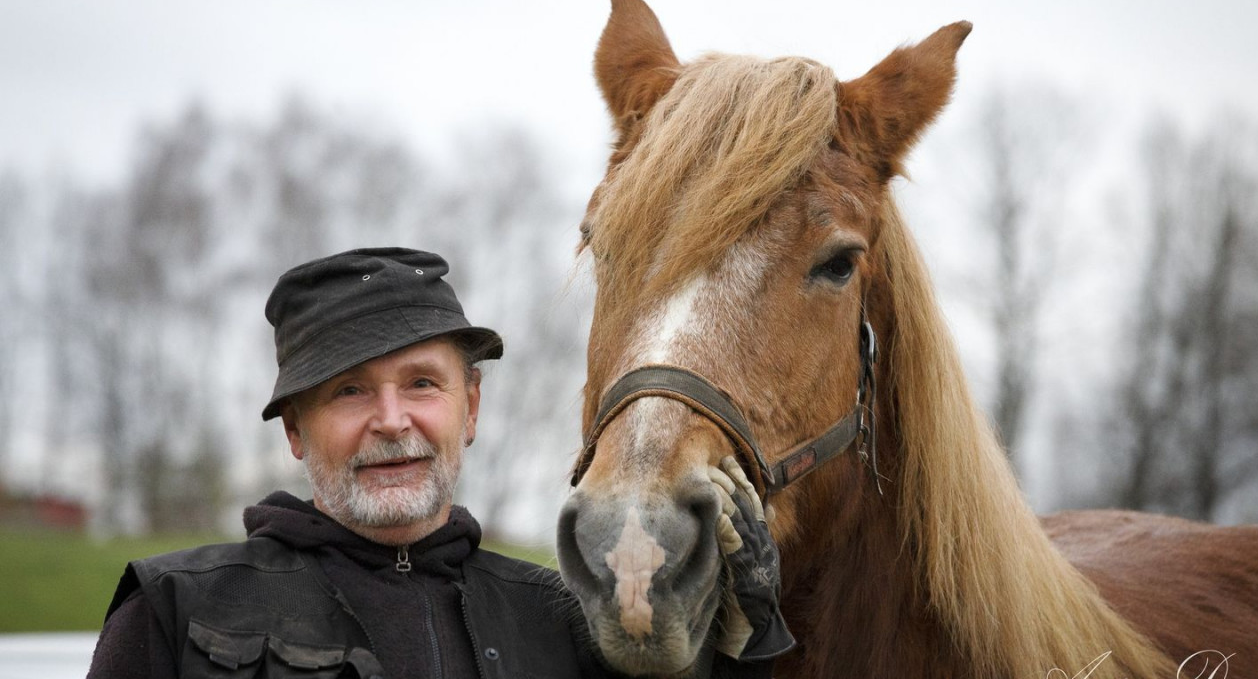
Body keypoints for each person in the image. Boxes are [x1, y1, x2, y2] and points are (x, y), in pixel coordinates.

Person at [88, 247, 792, 678]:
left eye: (422, 383)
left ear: (472, 408)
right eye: (349, 391)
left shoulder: (565, 622)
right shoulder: (173, 611)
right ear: (296, 432)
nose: (392, 421)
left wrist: (747, 639)